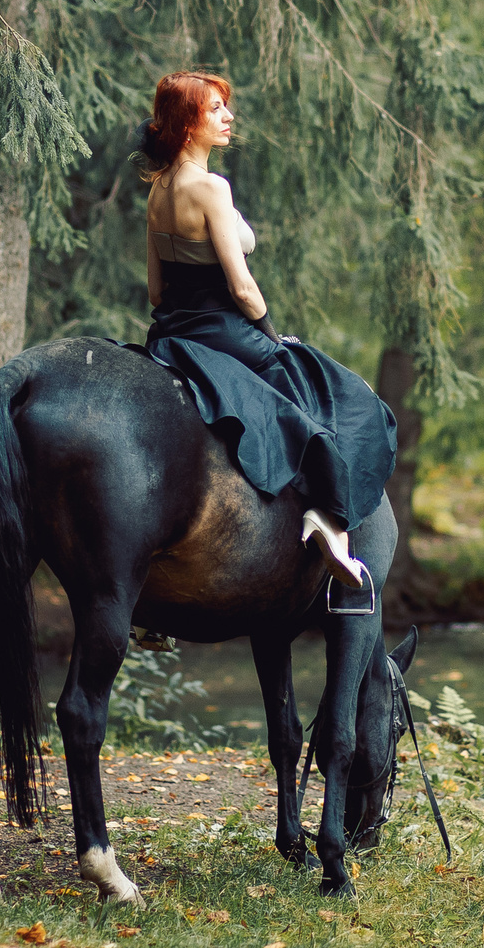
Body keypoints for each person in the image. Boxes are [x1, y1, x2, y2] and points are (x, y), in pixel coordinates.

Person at [138, 71, 397, 588]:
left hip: (172, 336)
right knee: (325, 394)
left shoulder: (158, 190)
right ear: (188, 125)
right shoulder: (211, 188)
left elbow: (156, 293)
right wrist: (273, 338)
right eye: (215, 109)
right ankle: (328, 515)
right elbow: (243, 289)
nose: (229, 117)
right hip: (226, 331)